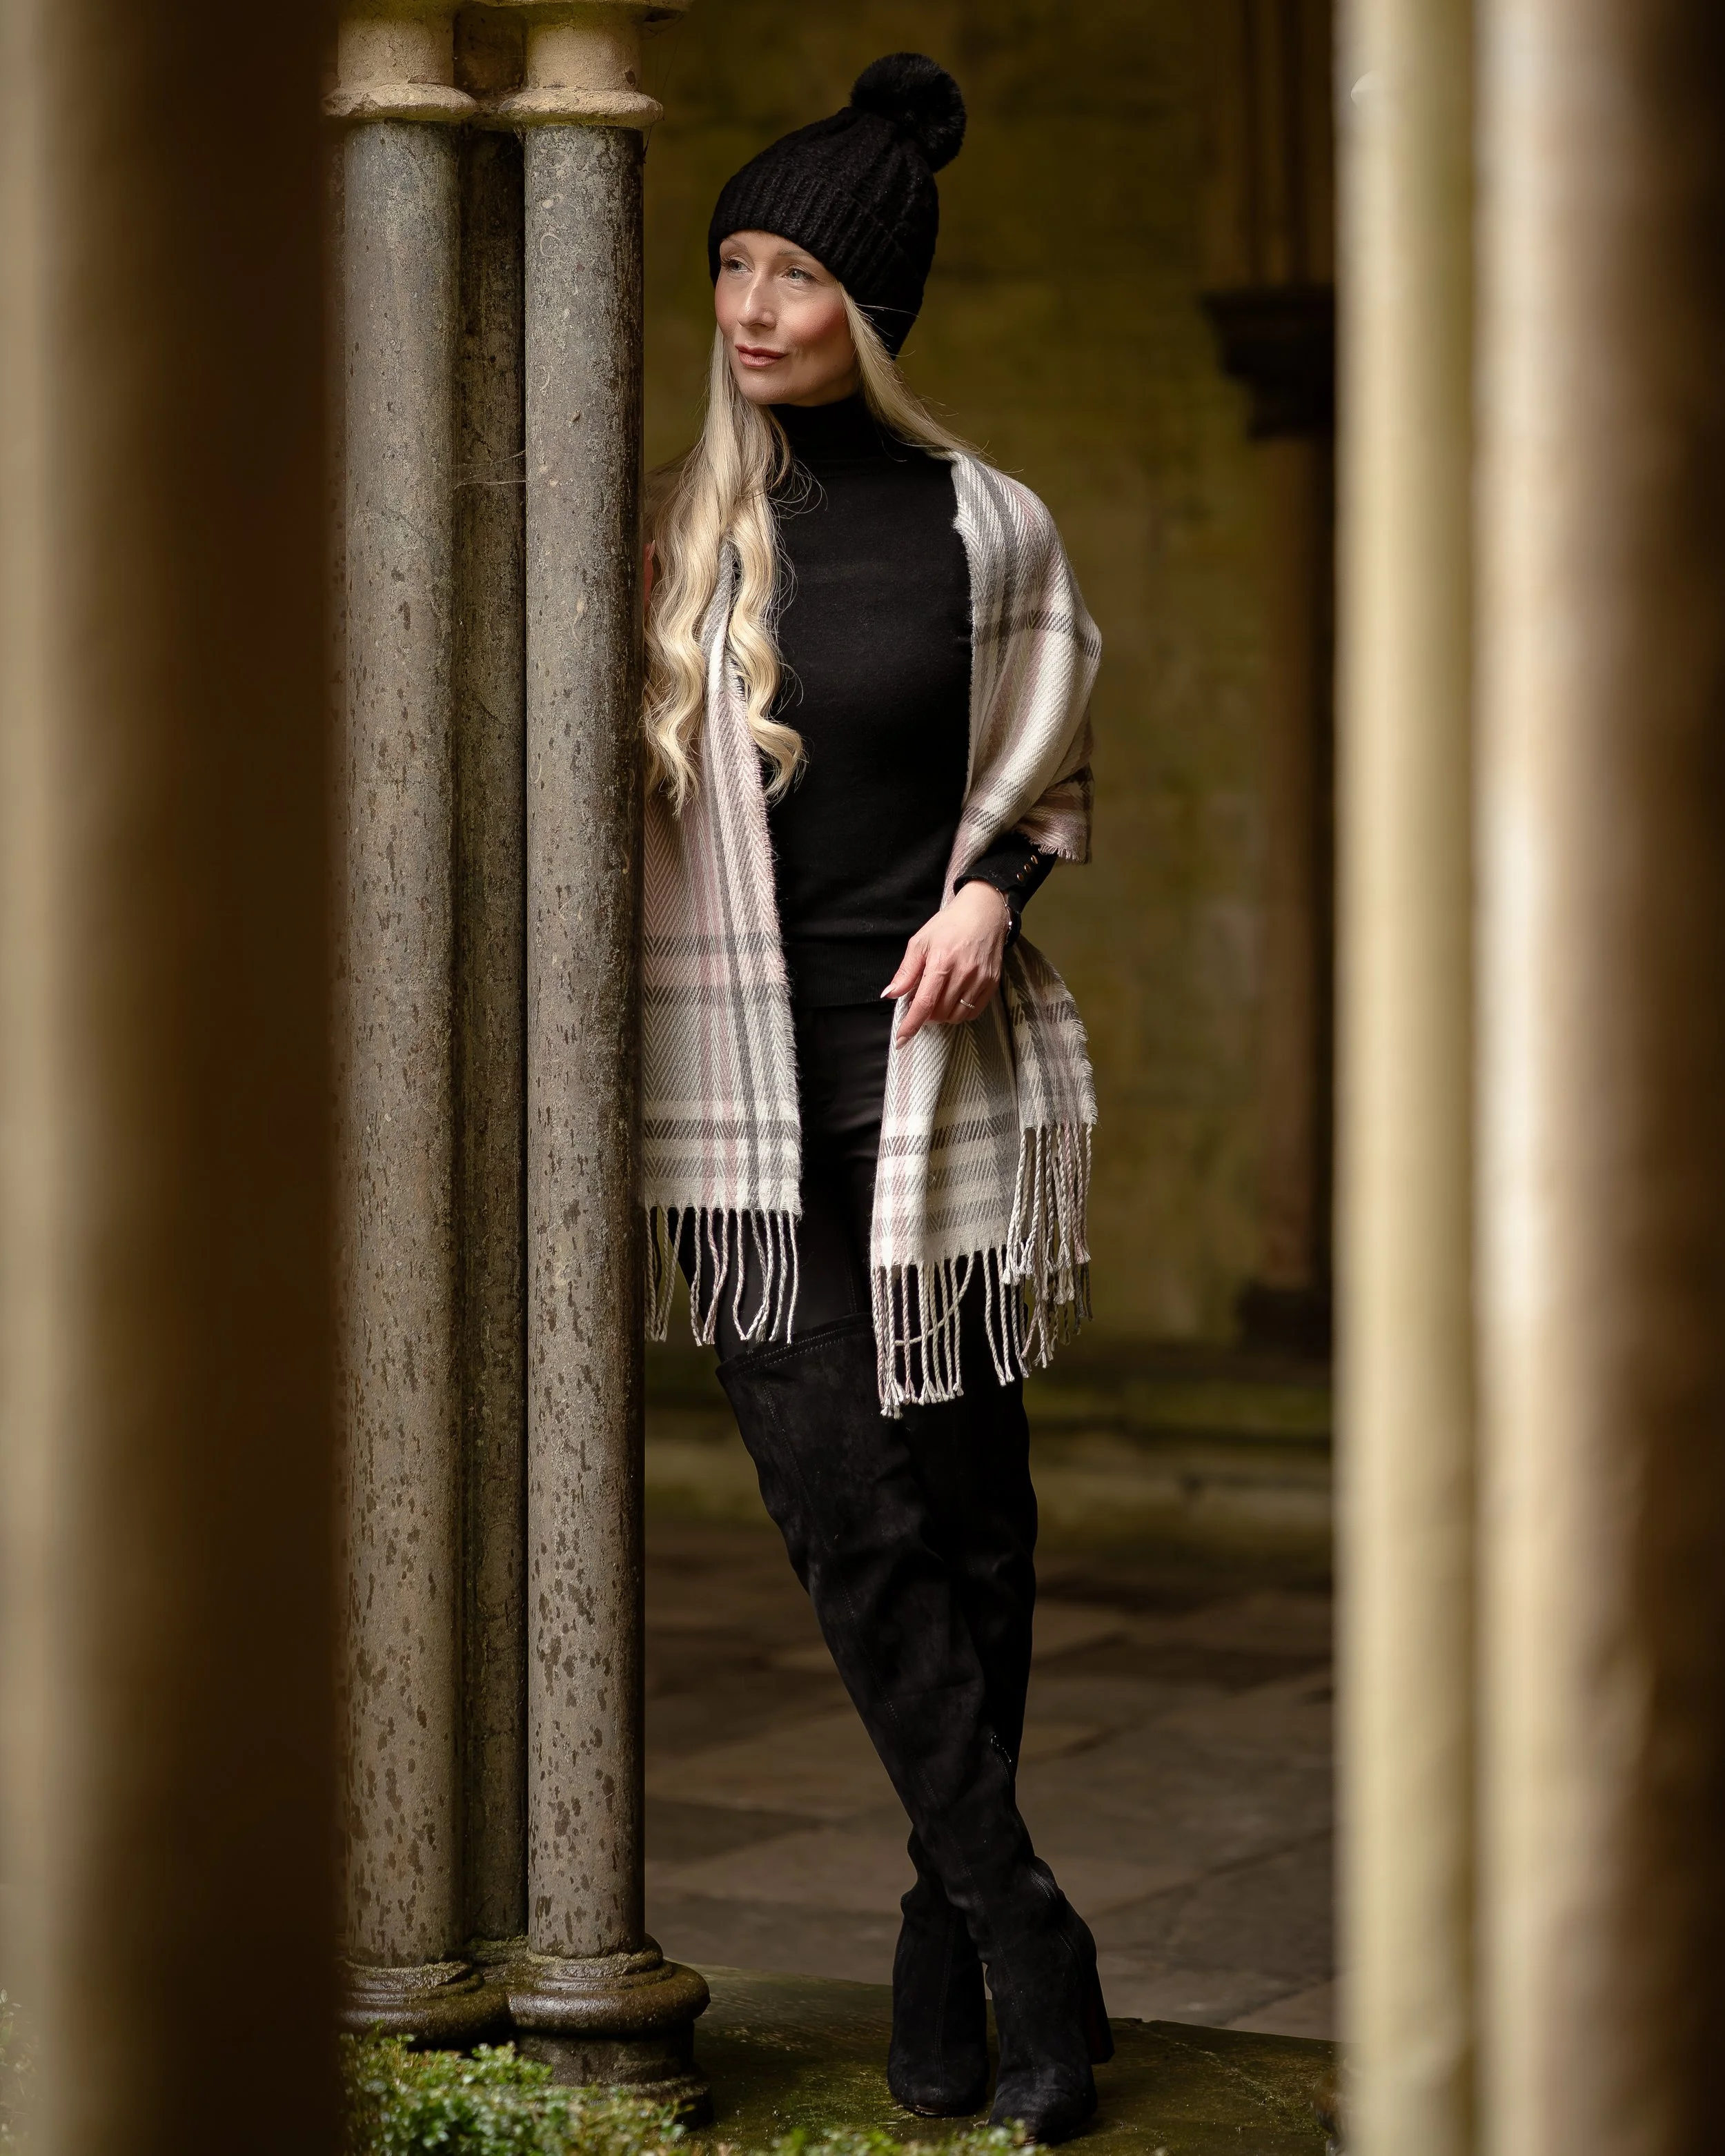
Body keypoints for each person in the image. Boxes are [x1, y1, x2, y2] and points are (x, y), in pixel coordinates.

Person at [640, 54, 1107, 2144]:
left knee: (974, 1514)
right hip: (738, 1100)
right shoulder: (681, 532)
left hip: (933, 1076)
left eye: (798, 275)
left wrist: (993, 894)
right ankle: (1023, 1926)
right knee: (851, 1515)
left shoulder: (990, 527)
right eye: (733, 263)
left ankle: (941, 1935)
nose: (753, 308)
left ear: (873, 308)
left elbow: (1047, 770)